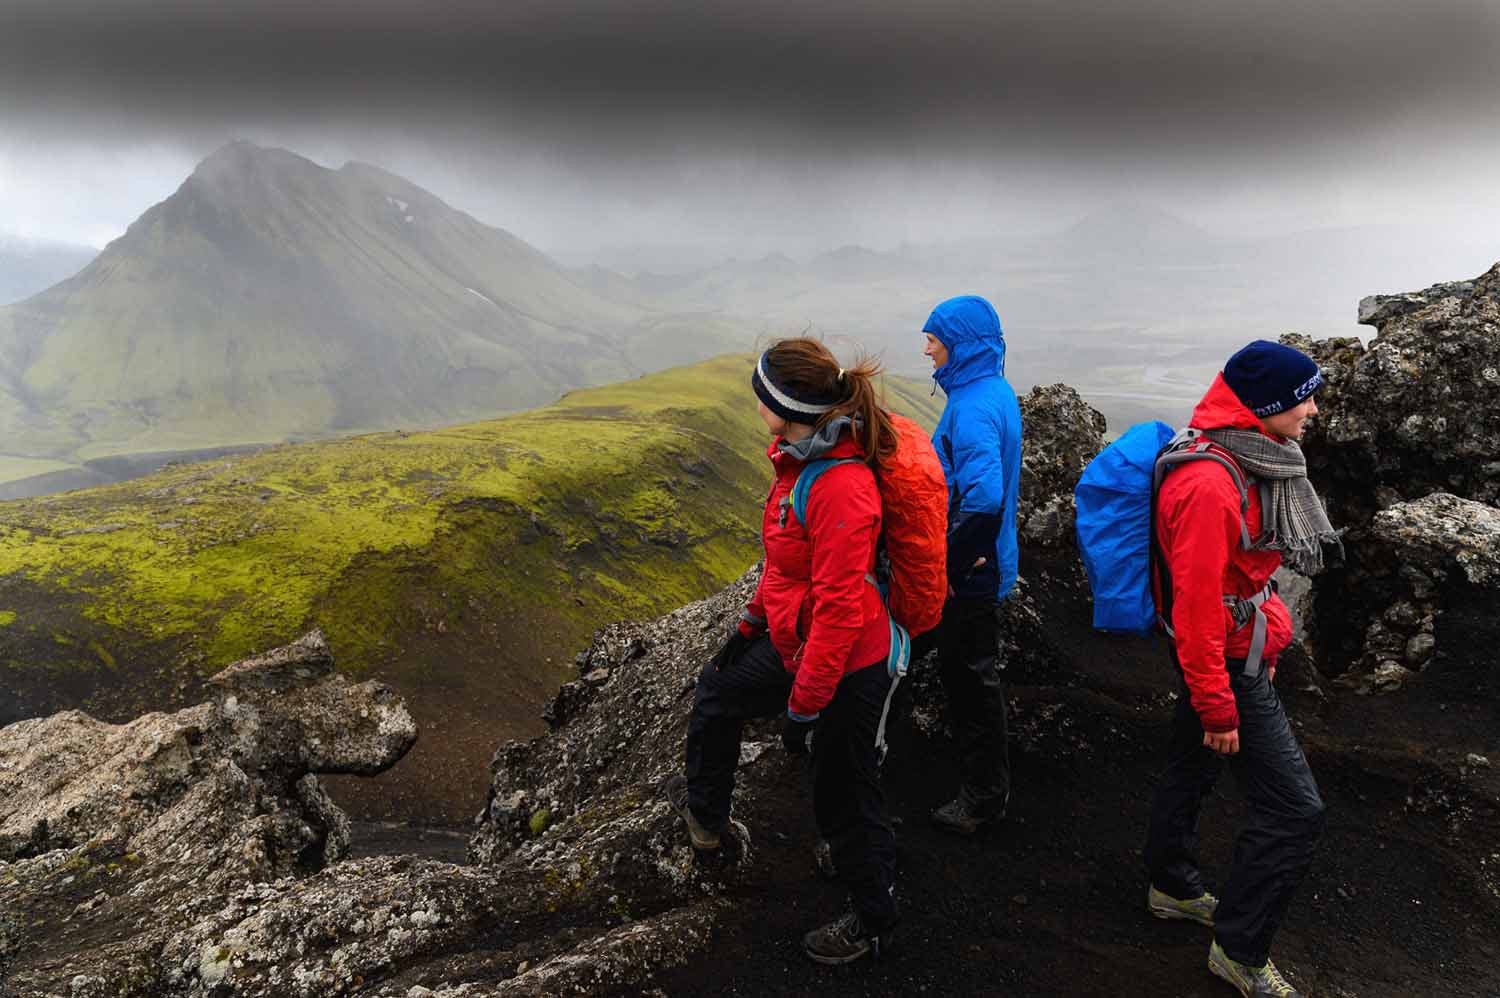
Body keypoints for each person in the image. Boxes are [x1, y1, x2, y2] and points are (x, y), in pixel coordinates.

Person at [664, 338, 903, 965]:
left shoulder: (839, 486)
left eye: (761, 392)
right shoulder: (798, 464)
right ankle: (707, 827)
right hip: (802, 644)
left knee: (846, 787)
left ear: (784, 404)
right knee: (718, 691)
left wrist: (805, 705)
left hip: (850, 664)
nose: (755, 403)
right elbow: (786, 567)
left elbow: (841, 610)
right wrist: (748, 626)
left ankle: (872, 919)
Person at [1143, 340, 1335, 998]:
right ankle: (1239, 951)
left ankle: (1169, 884)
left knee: (1193, 761)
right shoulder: (1208, 485)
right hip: (1221, 655)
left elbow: (1238, 579)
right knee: (1295, 810)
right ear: (1266, 405)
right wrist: (1220, 703)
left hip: (1233, 644)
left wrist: (1267, 638)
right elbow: (1197, 611)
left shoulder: (1249, 454)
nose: (1313, 409)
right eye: (1303, 397)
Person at [921, 295, 1022, 835]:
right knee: (968, 676)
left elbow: (983, 497)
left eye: (934, 341)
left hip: (972, 572)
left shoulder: (974, 407)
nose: (927, 350)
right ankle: (982, 789)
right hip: (984, 561)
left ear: (960, 345)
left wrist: (950, 566)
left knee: (971, 682)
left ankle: (983, 798)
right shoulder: (990, 390)